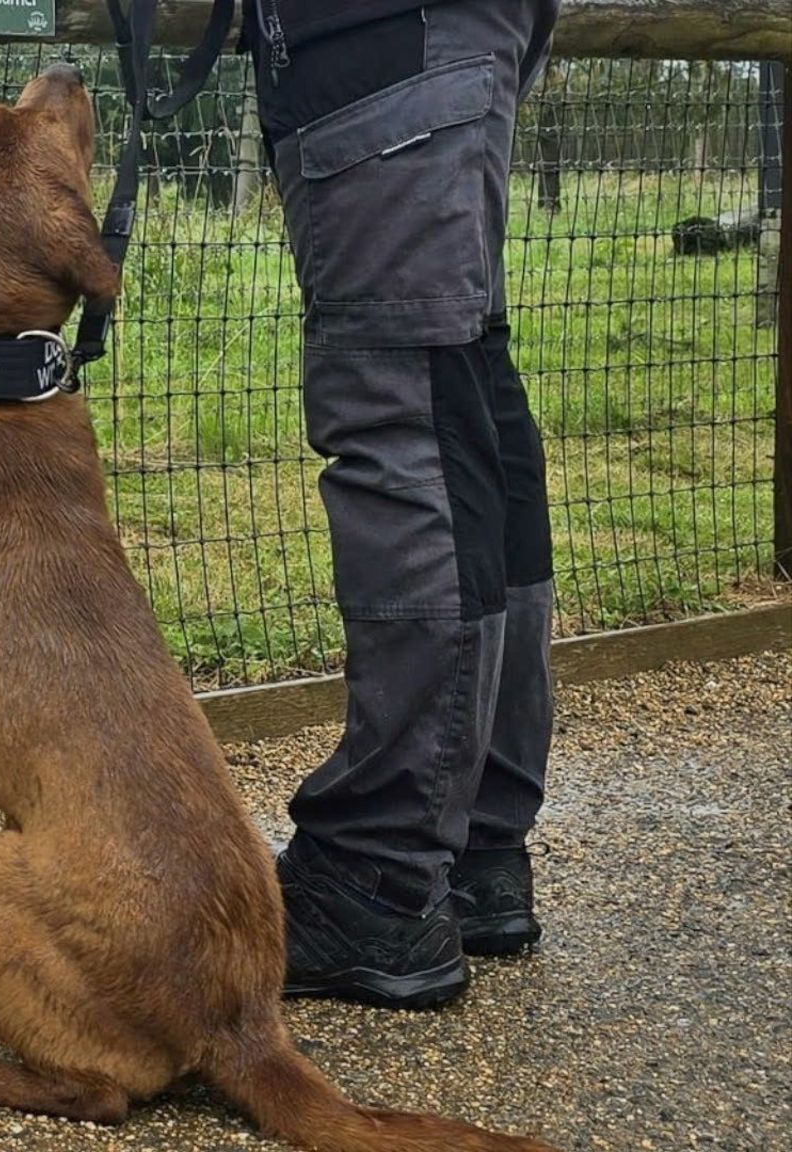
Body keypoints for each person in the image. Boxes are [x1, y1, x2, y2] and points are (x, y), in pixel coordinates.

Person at [246, 0, 563, 1010]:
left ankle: (375, 874)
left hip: (377, 35)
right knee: (460, 388)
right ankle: (468, 847)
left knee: (401, 411)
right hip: (431, 38)